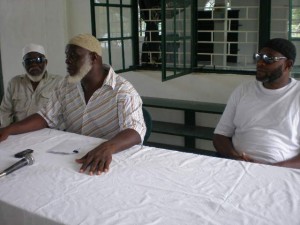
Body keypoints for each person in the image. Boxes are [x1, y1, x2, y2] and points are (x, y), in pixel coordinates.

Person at [0, 33, 146, 175]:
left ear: (93, 57)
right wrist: (9, 129)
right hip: (72, 158)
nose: (67, 61)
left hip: (109, 160)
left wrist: (108, 147)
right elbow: (45, 117)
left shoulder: (122, 90)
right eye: (67, 56)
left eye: (74, 56)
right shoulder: (66, 85)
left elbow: (135, 130)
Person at [213, 38, 300, 169]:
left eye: (268, 59)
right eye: (258, 57)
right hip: (236, 165)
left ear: (288, 64)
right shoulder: (243, 90)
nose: (260, 63)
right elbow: (220, 136)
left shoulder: (297, 94)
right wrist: (236, 159)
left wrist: (273, 168)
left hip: (282, 171)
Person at [0, 43, 62, 127]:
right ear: (23, 64)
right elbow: (5, 111)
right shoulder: (14, 83)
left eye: (38, 59)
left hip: (49, 133)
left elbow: (64, 113)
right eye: (28, 61)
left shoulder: (59, 82)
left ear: (46, 62)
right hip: (19, 133)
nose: (33, 64)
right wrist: (7, 131)